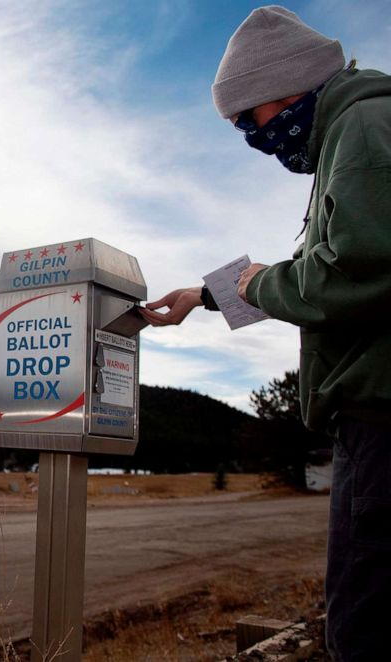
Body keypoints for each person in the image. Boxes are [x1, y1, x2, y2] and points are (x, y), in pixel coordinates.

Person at [140, 6, 391, 661]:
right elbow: (325, 268)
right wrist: (205, 295)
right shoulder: (352, 130)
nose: (249, 138)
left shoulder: (363, 128)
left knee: (363, 629)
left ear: (285, 90)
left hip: (384, 419)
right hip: (375, 418)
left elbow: (352, 277)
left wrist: (248, 283)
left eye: (245, 119)